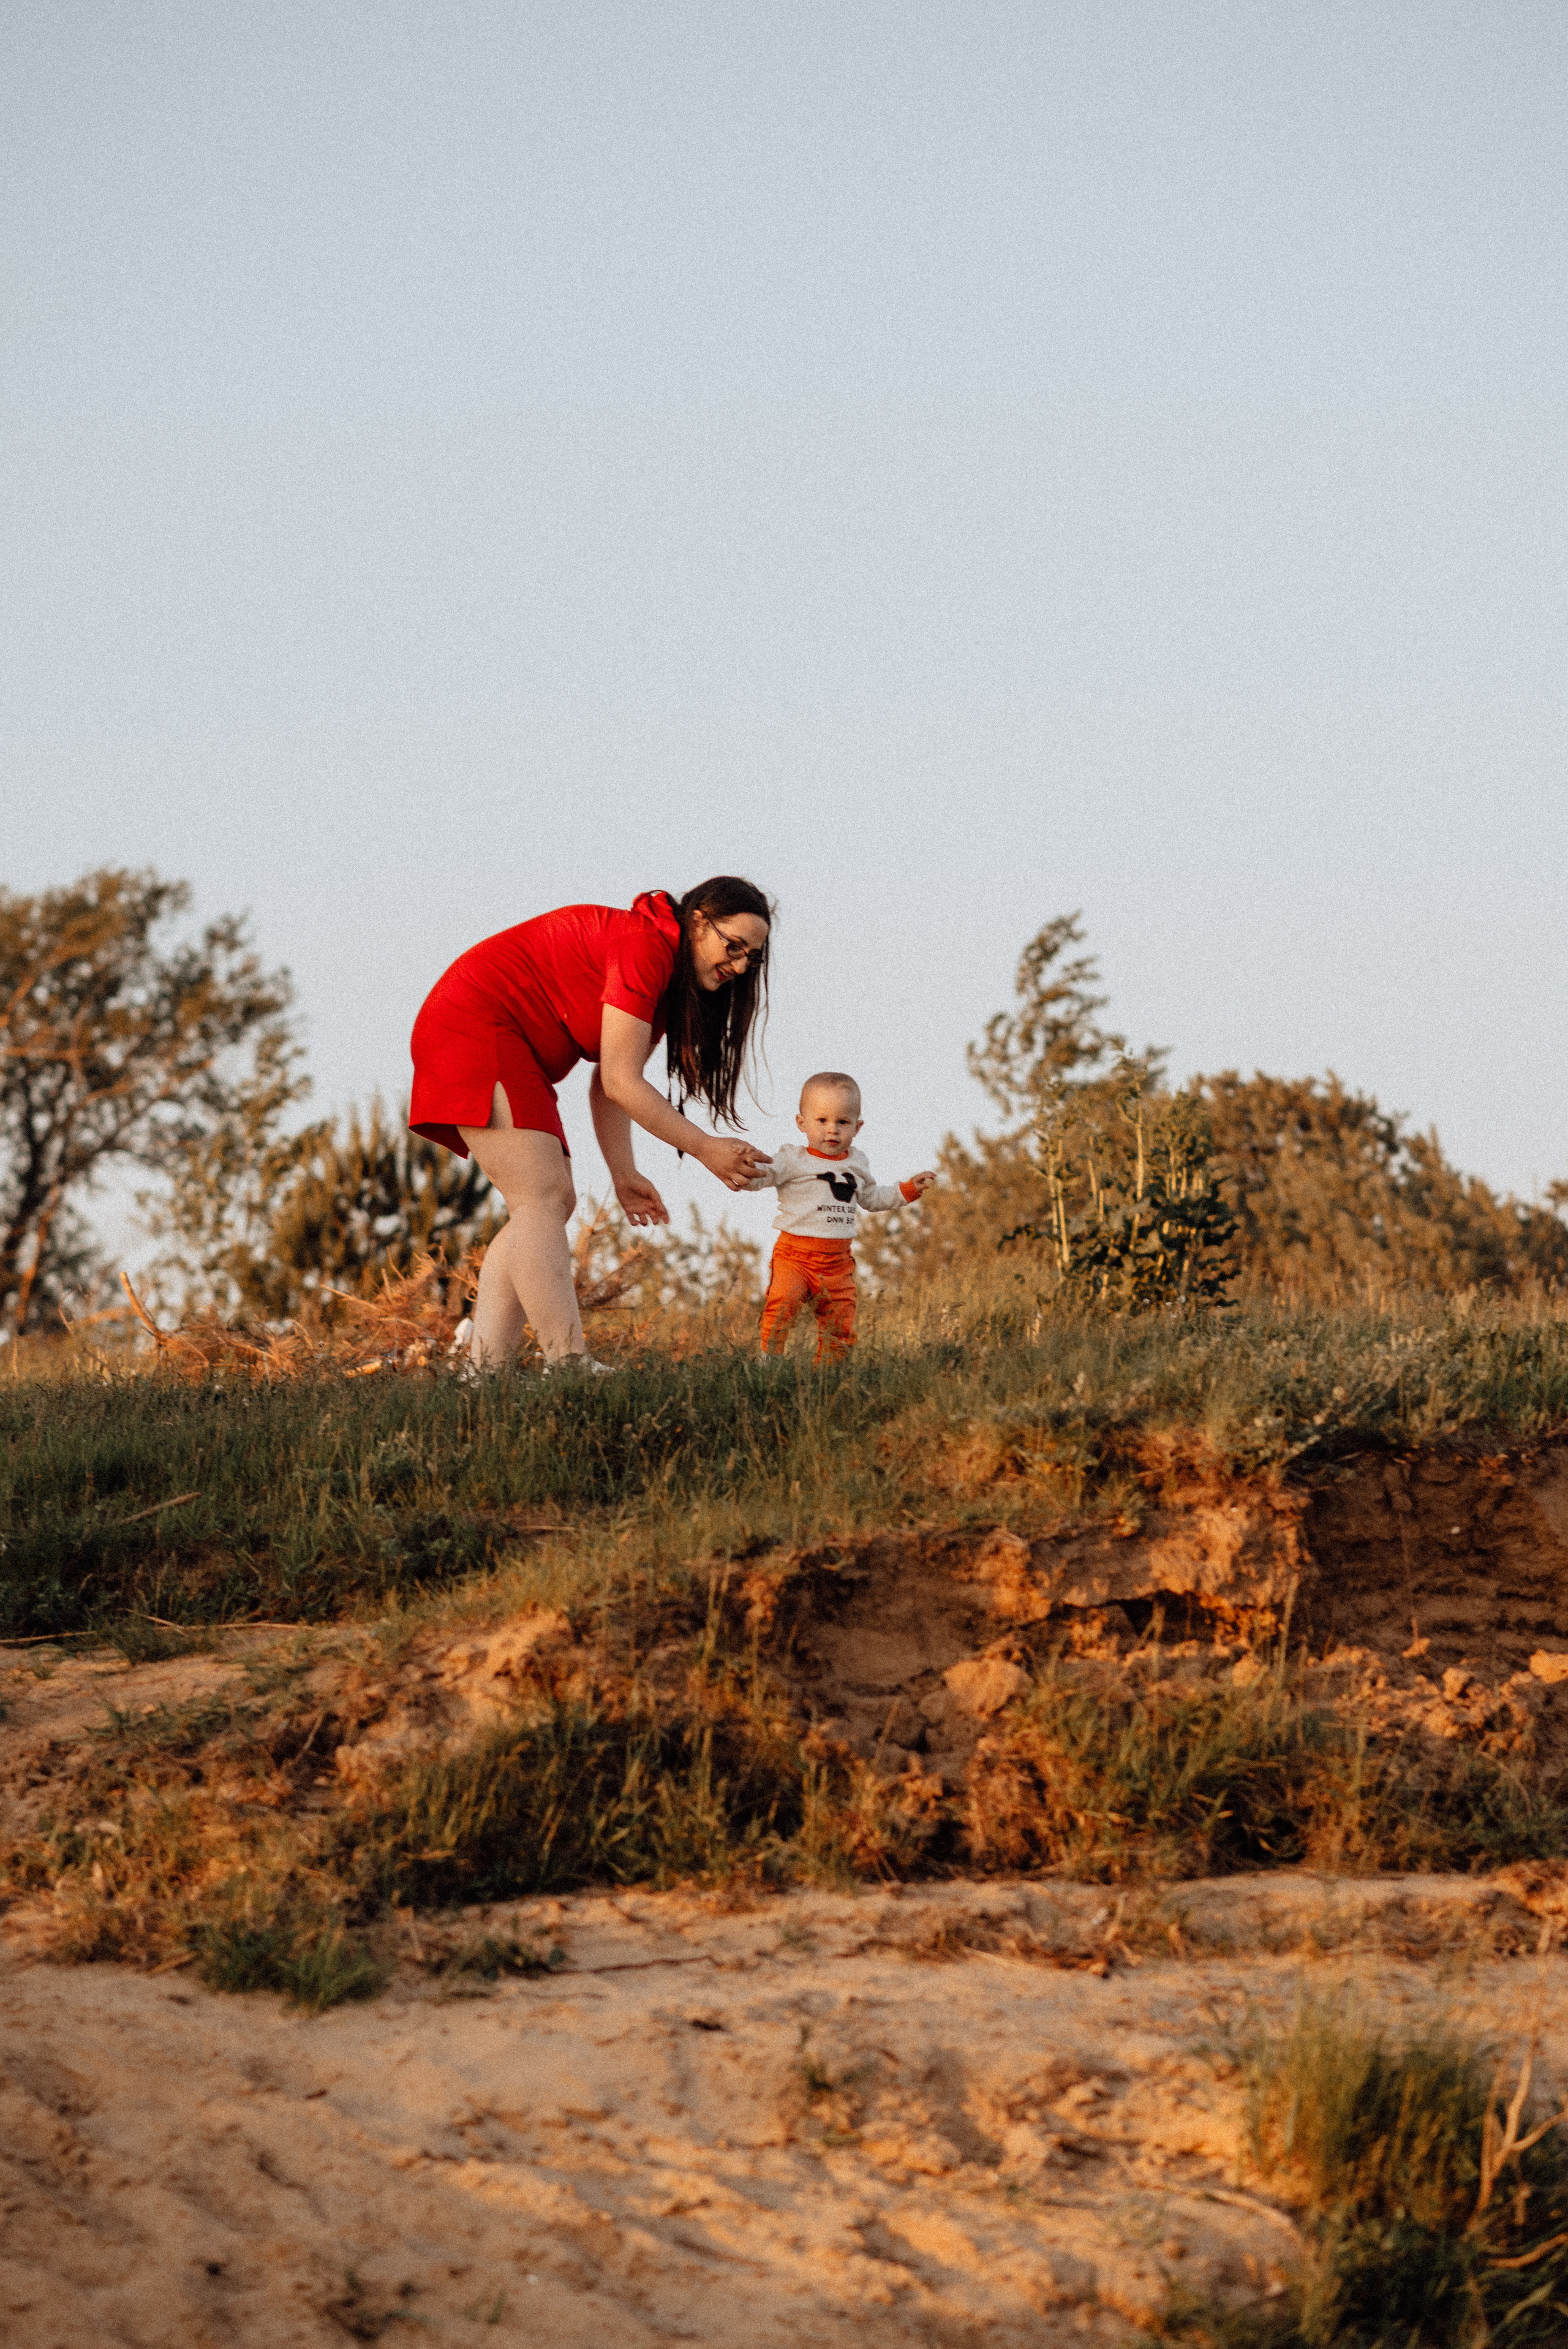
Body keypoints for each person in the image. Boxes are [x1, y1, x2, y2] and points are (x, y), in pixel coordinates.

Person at [409, 879, 773, 1368]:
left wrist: (623, 1173)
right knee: (542, 1198)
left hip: (504, 1041)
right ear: (699, 922)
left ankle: (483, 1374)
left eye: (753, 957)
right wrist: (706, 1148)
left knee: (545, 1204)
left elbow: (610, 1080)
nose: (740, 965)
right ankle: (568, 1363)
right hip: (476, 1024)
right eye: (734, 946)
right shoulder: (646, 947)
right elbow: (622, 1082)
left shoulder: (665, 967)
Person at [742, 1072, 934, 1361]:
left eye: (842, 1122)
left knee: (840, 1321)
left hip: (837, 1264)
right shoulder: (793, 1159)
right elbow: (765, 1176)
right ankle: (770, 1360)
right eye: (822, 1121)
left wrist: (907, 1190)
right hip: (794, 1256)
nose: (832, 1130)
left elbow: (871, 1198)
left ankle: (830, 1377)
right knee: (783, 1302)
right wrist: (746, 1174)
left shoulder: (857, 1163)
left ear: (857, 1127)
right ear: (802, 1123)